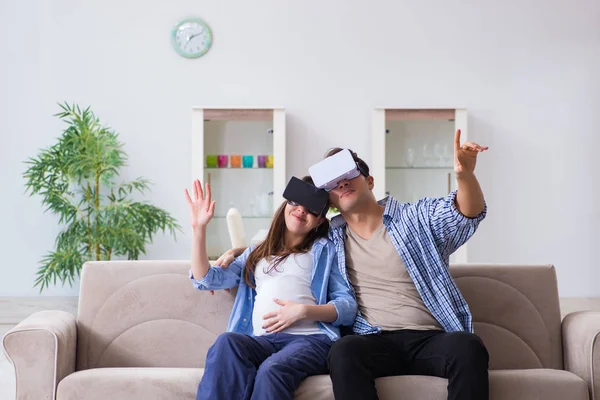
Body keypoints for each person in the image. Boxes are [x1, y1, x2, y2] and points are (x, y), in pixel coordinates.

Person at [217, 129, 490, 400]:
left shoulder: (415, 217)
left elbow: (465, 213)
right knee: (343, 350)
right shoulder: (329, 237)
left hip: (431, 337)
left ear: (370, 181)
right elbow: (289, 243)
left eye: (350, 174)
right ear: (330, 202)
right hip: (373, 339)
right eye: (334, 183)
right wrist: (242, 251)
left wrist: (465, 176)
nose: (343, 183)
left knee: (469, 347)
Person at [184, 176, 357, 400]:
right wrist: (199, 229)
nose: (300, 211)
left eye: (311, 209)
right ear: (285, 204)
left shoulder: (325, 251)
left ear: (319, 221)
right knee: (226, 343)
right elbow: (206, 279)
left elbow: (347, 307)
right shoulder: (256, 254)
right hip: (262, 341)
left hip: (310, 340)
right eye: (295, 202)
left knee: (272, 369)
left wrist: (303, 311)